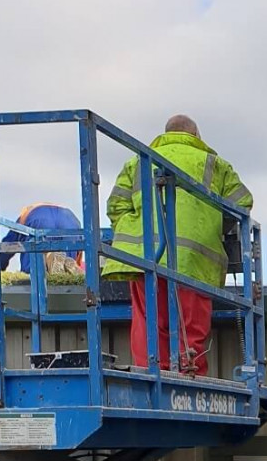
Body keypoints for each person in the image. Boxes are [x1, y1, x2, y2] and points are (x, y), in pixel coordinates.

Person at [100, 114, 252, 376]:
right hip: (194, 258)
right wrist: (213, 227)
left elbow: (116, 207)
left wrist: (138, 233)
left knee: (149, 323)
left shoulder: (138, 161)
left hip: (145, 258)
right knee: (189, 327)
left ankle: (149, 375)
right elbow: (242, 205)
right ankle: (186, 377)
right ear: (196, 136)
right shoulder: (215, 164)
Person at [0, 204, 84, 277]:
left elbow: (8, 246)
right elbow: (79, 250)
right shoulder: (66, 213)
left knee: (33, 273)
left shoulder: (25, 214)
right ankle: (66, 268)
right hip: (70, 220)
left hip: (38, 217)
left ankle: (46, 260)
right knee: (66, 268)